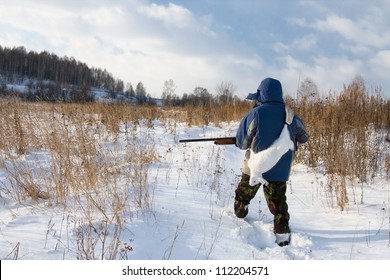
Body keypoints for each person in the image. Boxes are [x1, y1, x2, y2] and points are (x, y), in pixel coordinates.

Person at [234, 77, 308, 247]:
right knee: (279, 205)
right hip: (279, 170)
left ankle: (240, 212)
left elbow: (242, 143)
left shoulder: (256, 113)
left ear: (261, 94)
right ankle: (282, 237)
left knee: (243, 195)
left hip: (256, 167)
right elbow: (303, 136)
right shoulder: (290, 114)